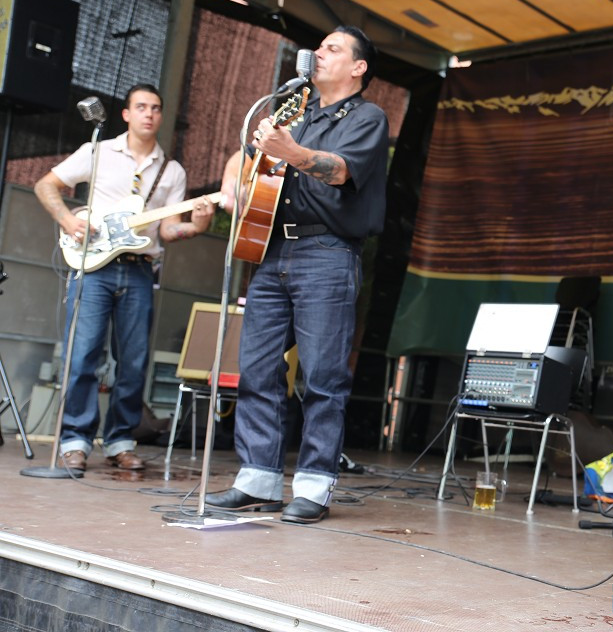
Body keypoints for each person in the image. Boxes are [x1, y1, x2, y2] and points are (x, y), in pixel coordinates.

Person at [205, 26, 389, 524]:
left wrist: (293, 153)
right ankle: (257, 478)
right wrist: (232, 190)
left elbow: (340, 170)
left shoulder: (368, 117)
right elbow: (242, 158)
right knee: (258, 367)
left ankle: (313, 486)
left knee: (323, 376)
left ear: (358, 68)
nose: (318, 54)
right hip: (271, 248)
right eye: (319, 47)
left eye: (332, 49)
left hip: (327, 253)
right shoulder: (294, 113)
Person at [35, 84, 216, 472]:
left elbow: (168, 230)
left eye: (156, 108)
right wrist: (68, 220)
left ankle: (119, 440)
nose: (149, 113)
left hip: (138, 269)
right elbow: (45, 184)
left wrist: (197, 225)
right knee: (82, 355)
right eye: (141, 107)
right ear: (127, 115)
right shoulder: (97, 153)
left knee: (132, 361)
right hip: (94, 268)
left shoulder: (172, 171)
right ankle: (75, 440)